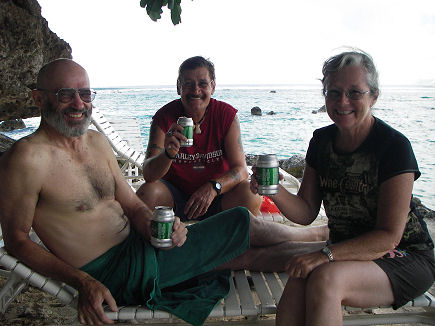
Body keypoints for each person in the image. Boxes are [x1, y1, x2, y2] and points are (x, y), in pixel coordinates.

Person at [0, 58, 326, 326]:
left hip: (145, 244)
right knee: (240, 223)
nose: (78, 104)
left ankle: (325, 249)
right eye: (65, 94)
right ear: (39, 99)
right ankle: (323, 244)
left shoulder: (96, 144)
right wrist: (82, 283)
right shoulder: (27, 159)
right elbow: (16, 241)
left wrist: (159, 228)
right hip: (116, 273)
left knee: (241, 255)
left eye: (85, 94)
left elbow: (131, 203)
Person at [250, 50, 435, 326]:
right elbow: (306, 212)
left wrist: (325, 255)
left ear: (373, 96)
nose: (342, 101)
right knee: (302, 276)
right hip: (344, 253)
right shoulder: (321, 141)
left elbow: (389, 238)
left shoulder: (393, 147)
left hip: (404, 256)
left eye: (354, 92)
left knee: (325, 278)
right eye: (333, 92)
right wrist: (274, 189)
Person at [136, 56, 263, 220]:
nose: (196, 90)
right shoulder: (164, 117)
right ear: (178, 87)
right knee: (147, 193)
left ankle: (228, 240)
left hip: (217, 197)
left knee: (251, 195)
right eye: (188, 84)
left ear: (213, 86)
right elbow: (149, 175)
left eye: (202, 84)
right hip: (174, 197)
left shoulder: (226, 115)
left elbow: (241, 170)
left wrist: (213, 187)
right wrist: (167, 154)